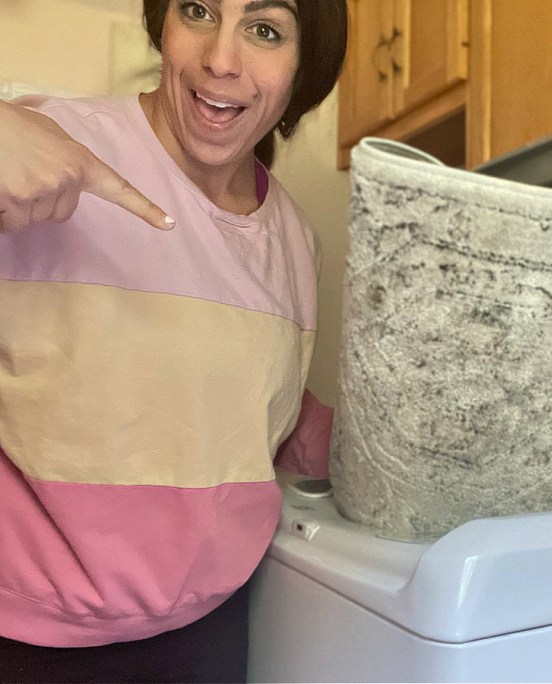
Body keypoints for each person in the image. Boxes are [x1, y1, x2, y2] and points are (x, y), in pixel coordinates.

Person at [0, 0, 346, 681]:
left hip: (208, 630)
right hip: (24, 635)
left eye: (265, 30)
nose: (221, 60)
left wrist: (391, 446)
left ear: (303, 68)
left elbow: (244, 404)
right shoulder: (47, 147)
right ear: (163, 26)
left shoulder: (297, 240)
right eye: (198, 11)